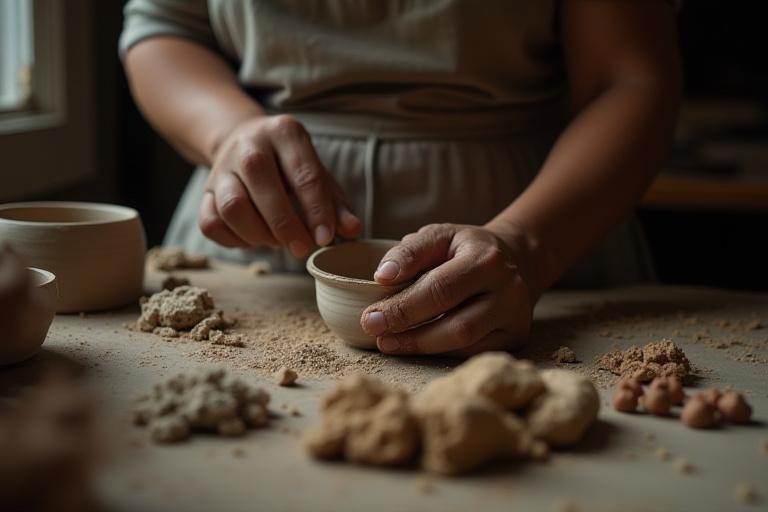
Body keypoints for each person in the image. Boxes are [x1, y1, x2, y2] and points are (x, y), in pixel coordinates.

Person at [120, 0, 681, 357]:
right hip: (260, 223)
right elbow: (164, 27)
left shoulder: (531, 245)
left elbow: (629, 78)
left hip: (543, 221)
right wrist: (228, 133)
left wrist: (525, 247)